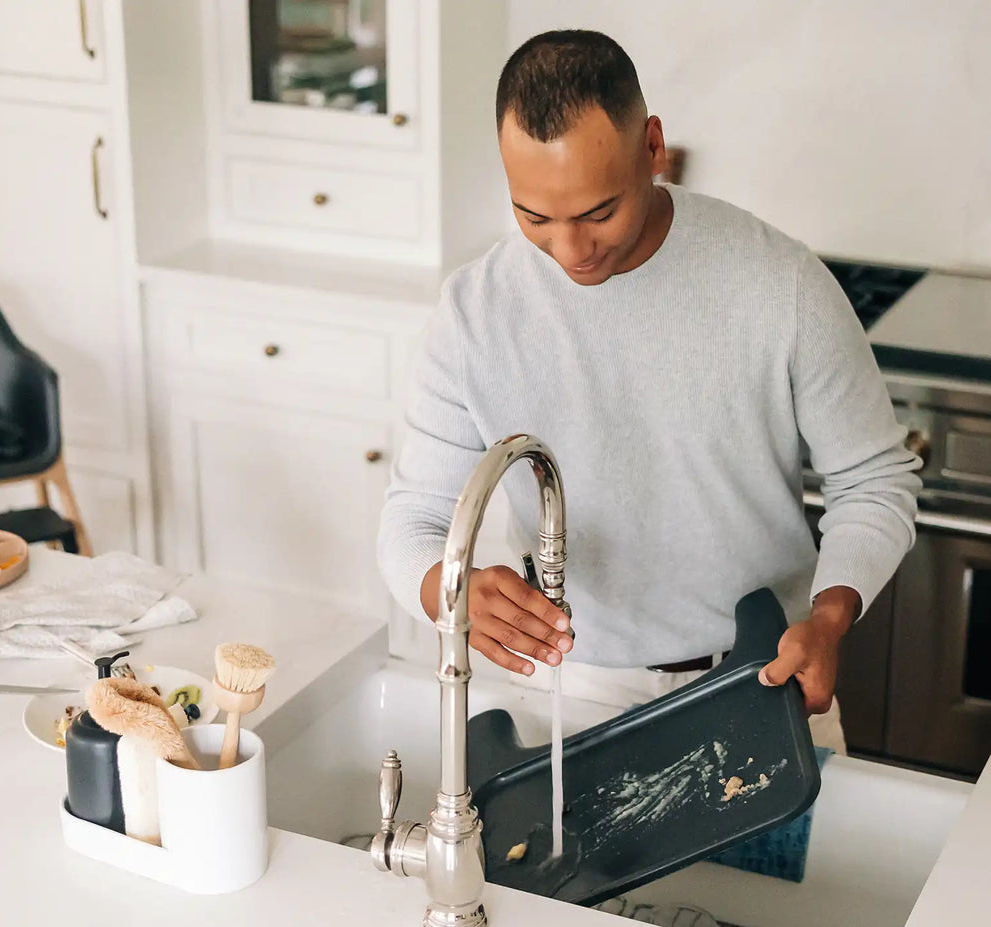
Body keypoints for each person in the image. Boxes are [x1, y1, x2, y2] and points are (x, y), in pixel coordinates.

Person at [377, 30, 920, 752]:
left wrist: (828, 616)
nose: (571, 251)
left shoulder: (780, 284)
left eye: (598, 212)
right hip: (565, 690)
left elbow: (875, 480)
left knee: (778, 874)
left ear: (652, 147)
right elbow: (413, 517)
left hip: (762, 681)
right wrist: (447, 588)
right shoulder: (474, 314)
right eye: (536, 216)